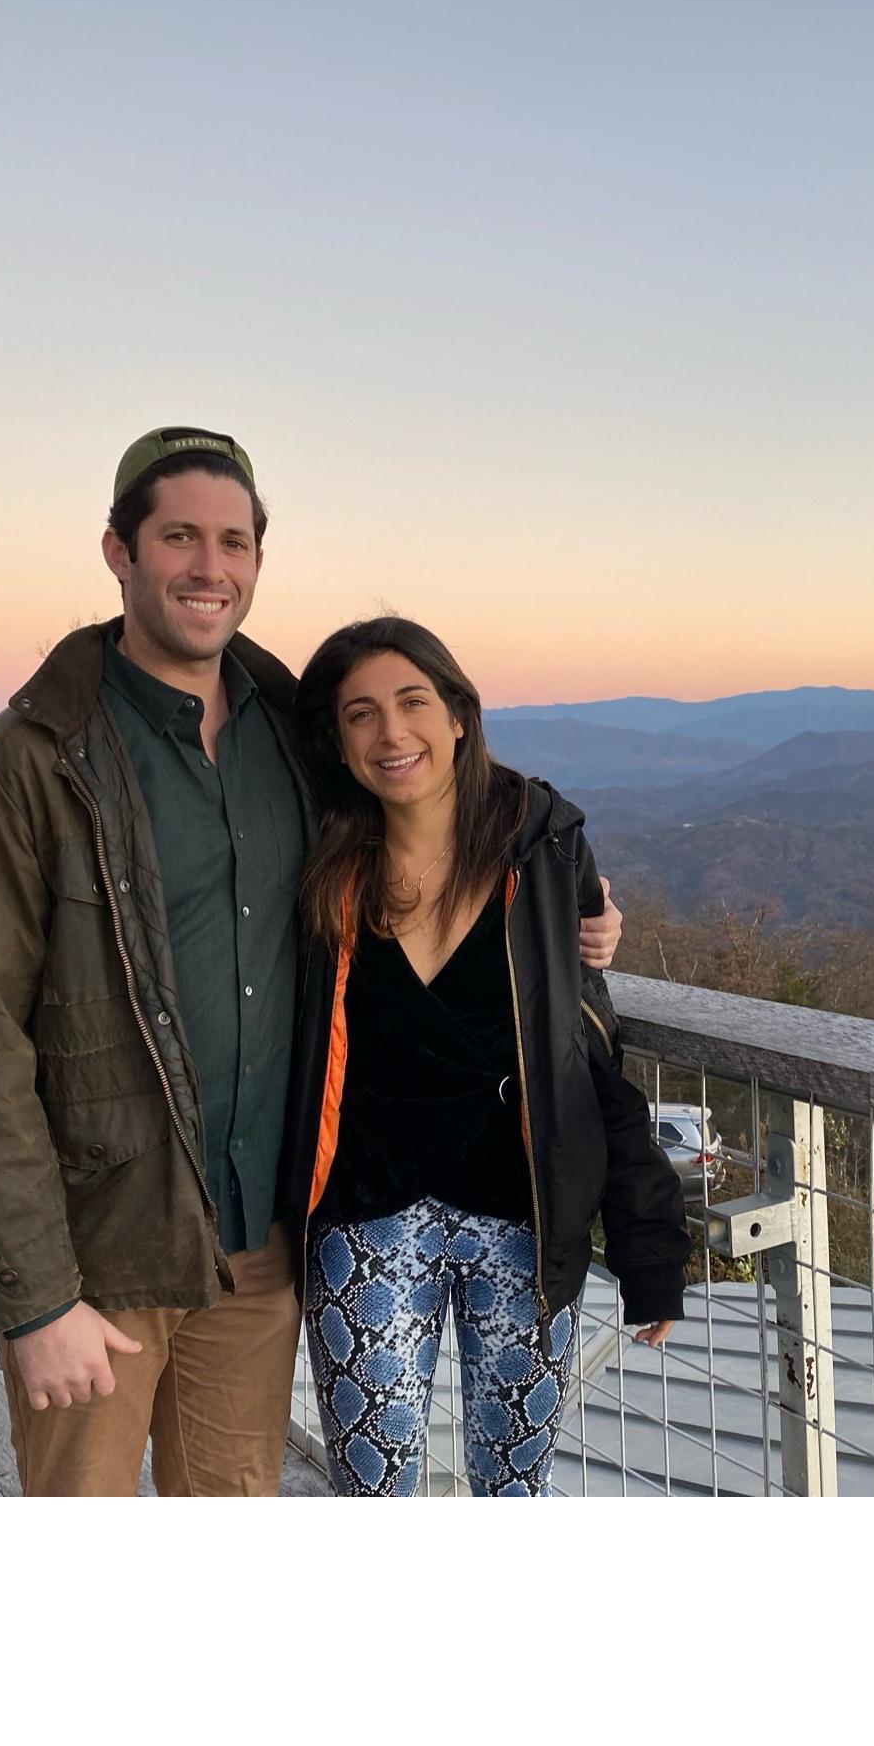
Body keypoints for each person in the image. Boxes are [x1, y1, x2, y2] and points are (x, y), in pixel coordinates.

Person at [0, 429, 622, 1496]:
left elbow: (433, 792)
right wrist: (35, 1299)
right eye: (180, 536)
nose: (210, 567)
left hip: (259, 1248)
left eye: (234, 541)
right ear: (119, 550)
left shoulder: (294, 738)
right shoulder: (28, 765)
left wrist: (576, 892)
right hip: (104, 1255)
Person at [282, 616, 689, 1496]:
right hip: (365, 1220)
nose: (391, 732)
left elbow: (584, 1052)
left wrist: (648, 1246)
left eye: (412, 701)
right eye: (360, 713)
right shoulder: (314, 856)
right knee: (372, 1489)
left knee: (514, 1487)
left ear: (459, 714)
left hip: (525, 1224)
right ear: (336, 738)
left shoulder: (541, 847)